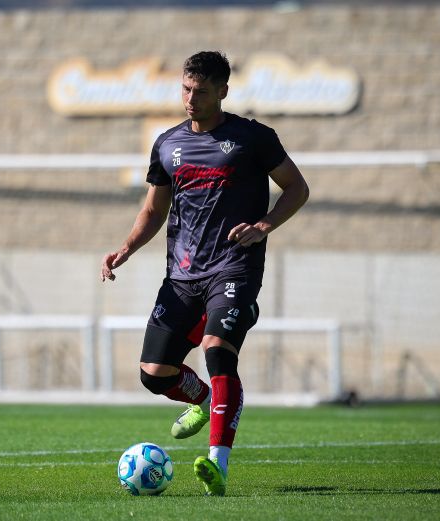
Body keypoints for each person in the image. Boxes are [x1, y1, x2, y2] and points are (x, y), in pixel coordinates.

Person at [100, 51, 309, 496]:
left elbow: (297, 188)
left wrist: (263, 226)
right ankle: (204, 399)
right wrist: (127, 248)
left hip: (234, 267)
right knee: (154, 374)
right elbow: (154, 209)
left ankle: (218, 465)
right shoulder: (167, 144)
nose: (190, 98)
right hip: (181, 276)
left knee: (217, 350)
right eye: (185, 88)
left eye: (200, 91)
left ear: (222, 92)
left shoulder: (253, 138)